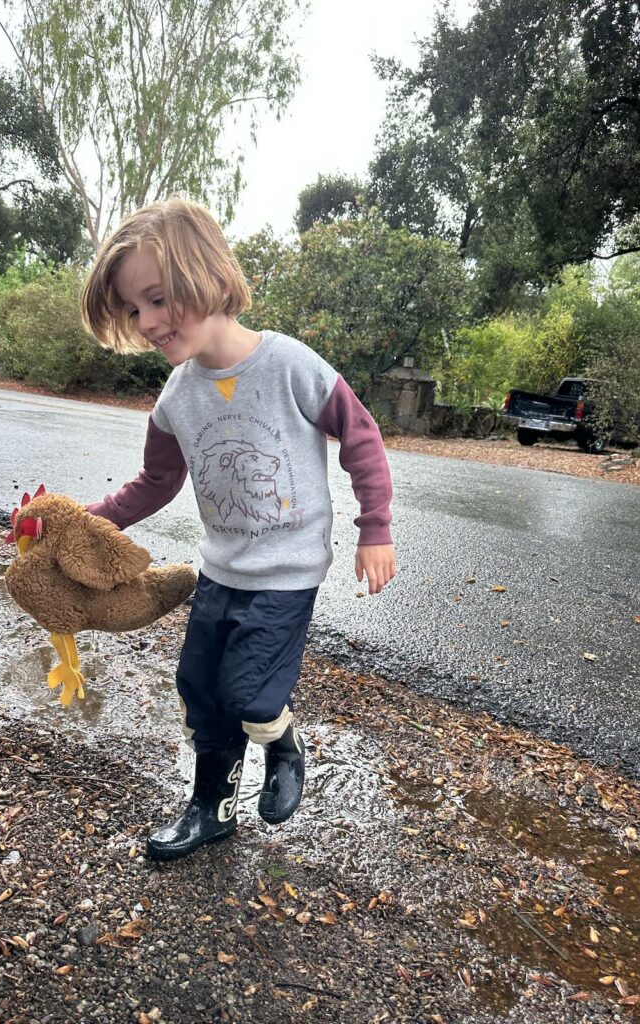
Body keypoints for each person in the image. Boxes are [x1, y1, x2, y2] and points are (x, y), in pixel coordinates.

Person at [81, 198, 396, 861]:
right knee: (199, 689)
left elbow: (361, 437)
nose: (147, 322)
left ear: (207, 274)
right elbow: (155, 483)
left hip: (286, 573)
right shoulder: (176, 398)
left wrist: (376, 529)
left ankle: (282, 742)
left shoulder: (291, 367)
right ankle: (211, 809)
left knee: (251, 693)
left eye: (158, 299)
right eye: (134, 310)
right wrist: (82, 524)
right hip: (220, 569)